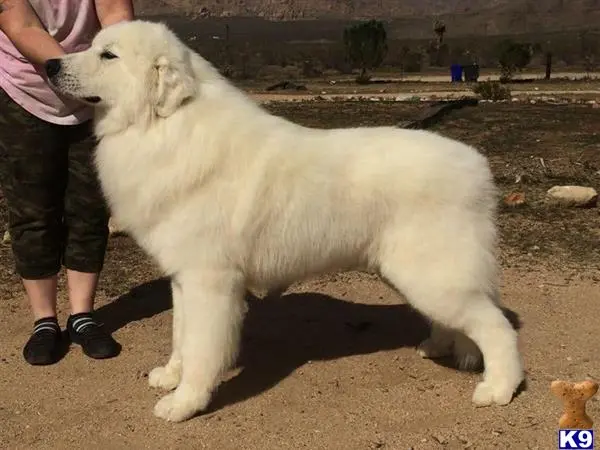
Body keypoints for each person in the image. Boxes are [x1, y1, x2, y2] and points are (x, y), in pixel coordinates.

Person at [0, 0, 134, 366]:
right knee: (32, 207)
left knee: (89, 205)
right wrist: (81, 75)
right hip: (25, 93)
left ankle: (82, 316)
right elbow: (22, 24)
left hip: (94, 93)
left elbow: (116, 15)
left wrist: (113, 66)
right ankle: (44, 321)